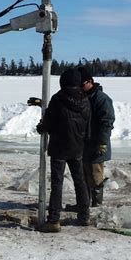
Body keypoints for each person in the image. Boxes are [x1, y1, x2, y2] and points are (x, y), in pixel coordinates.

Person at [37, 68, 91, 232]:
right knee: (80, 181)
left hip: (59, 148)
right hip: (77, 148)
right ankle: (84, 216)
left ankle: (53, 220)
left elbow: (49, 123)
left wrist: (42, 127)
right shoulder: (85, 100)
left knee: (57, 183)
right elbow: (88, 124)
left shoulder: (58, 99)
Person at [66, 69, 115, 209]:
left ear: (90, 81)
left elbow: (106, 123)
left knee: (95, 176)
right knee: (82, 176)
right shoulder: (80, 97)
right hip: (82, 144)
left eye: (82, 84)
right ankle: (83, 204)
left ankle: (96, 205)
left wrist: (102, 143)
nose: (80, 87)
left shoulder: (101, 99)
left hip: (96, 145)